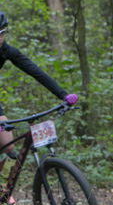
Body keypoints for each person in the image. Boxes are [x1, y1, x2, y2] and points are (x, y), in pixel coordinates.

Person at [0, 11, 78, 178]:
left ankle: (3, 185)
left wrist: (63, 95)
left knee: (8, 146)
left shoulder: (7, 51)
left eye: (2, 33)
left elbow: (35, 71)